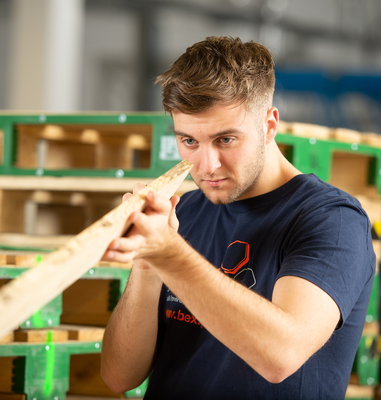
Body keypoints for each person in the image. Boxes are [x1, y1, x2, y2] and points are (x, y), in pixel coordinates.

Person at [100, 36, 376, 399]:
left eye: (225, 140)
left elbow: (281, 355)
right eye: (189, 142)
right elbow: (119, 377)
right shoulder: (183, 215)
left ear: (270, 125)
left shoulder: (333, 221)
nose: (207, 165)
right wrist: (148, 266)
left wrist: (169, 254)